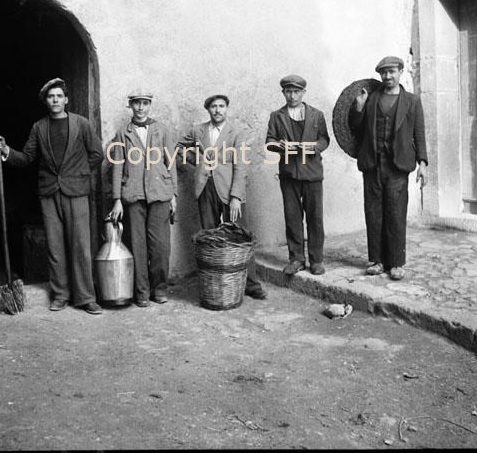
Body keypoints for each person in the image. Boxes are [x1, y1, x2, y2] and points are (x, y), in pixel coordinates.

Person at [0, 78, 104, 314]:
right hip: (49, 193)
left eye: (59, 96)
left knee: (81, 245)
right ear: (46, 101)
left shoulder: (81, 124)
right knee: (55, 247)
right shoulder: (39, 127)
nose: (55, 100)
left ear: (66, 100)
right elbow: (26, 158)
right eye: (51, 97)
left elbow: (96, 154)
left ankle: (85, 297)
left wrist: (79, 174)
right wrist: (6, 150)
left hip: (76, 192)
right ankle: (61, 295)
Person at [176, 94, 267, 300]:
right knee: (210, 235)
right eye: (213, 107)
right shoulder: (198, 130)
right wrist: (197, 161)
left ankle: (251, 284)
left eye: (221, 106)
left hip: (229, 189)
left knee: (240, 235)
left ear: (226, 108)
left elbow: (241, 166)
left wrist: (236, 197)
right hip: (205, 188)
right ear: (208, 109)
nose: (217, 110)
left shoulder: (237, 132)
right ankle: (216, 281)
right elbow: (179, 148)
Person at [348, 56, 428, 280]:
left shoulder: (412, 101)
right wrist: (359, 107)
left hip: (397, 166)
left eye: (392, 71)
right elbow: (356, 129)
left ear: (400, 71)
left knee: (395, 213)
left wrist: (423, 163)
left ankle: (396, 263)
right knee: (373, 213)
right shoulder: (371, 99)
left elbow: (419, 134)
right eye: (383, 73)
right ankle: (376, 260)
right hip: (372, 164)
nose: (387, 76)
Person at [108, 90, 177, 307]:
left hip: (160, 193)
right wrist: (117, 199)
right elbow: (117, 166)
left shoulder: (162, 130)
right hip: (133, 195)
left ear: (150, 105)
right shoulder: (123, 133)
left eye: (145, 103)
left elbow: (171, 163)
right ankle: (142, 292)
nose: (140, 107)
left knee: (160, 247)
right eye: (136, 103)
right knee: (138, 246)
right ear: (130, 105)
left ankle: (160, 289)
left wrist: (173, 194)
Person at [265, 74, 330, 276]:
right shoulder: (276, 116)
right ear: (283, 93)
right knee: (292, 217)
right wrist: (279, 146)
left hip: (312, 173)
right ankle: (296, 259)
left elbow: (324, 139)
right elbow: (269, 141)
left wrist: (313, 147)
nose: (292, 96)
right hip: (289, 174)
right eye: (288, 92)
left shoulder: (316, 115)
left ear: (303, 92)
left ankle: (316, 260)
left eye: (296, 92)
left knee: (315, 218)